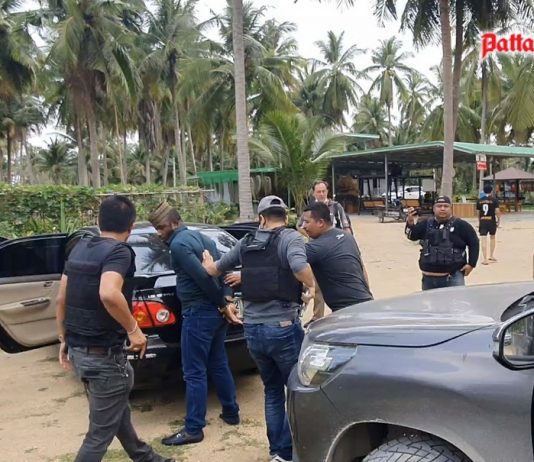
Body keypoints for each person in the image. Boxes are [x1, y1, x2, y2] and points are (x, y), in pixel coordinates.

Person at [55, 195, 174, 462]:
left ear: (98, 221)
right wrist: (134, 329)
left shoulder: (80, 248)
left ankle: (146, 458)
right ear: (131, 226)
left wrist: (63, 337)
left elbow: (61, 298)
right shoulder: (119, 252)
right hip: (104, 358)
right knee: (99, 434)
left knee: (116, 413)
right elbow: (109, 293)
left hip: (80, 351)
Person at [202, 195, 315, 462]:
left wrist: (207, 263)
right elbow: (300, 267)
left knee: (272, 390)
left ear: (261, 218)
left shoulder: (246, 241)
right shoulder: (291, 238)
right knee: (297, 390)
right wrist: (312, 286)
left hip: (252, 330)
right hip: (283, 327)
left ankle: (278, 452)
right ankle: (297, 450)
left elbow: (214, 270)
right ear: (285, 217)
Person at [148, 202, 240, 446]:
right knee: (218, 362)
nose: (159, 232)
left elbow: (203, 278)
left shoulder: (179, 244)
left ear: (174, 223)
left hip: (199, 313)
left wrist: (223, 303)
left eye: (161, 227)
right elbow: (223, 269)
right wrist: (227, 299)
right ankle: (231, 412)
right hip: (214, 314)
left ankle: (193, 428)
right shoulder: (203, 238)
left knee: (194, 371)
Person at [301, 202, 373, 310]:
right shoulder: (347, 237)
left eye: (307, 222)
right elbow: (361, 268)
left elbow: (294, 264)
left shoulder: (316, 247)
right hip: (367, 302)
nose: (303, 226)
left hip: (347, 310)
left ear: (320, 222)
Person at [298, 180, 352, 322]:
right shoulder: (310, 210)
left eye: (324, 191)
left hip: (336, 250)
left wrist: (348, 243)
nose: (321, 194)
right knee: (317, 285)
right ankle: (317, 317)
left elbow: (345, 225)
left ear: (327, 192)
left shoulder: (336, 206)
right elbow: (300, 225)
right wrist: (310, 236)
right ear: (314, 193)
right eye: (318, 191)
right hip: (317, 250)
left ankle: (344, 316)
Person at [405, 195, 479, 291]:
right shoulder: (425, 223)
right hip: (428, 278)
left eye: (446, 206)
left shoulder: (461, 225)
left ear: (451, 208)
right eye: (439, 206)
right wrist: (410, 223)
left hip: (453, 277)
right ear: (434, 208)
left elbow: (474, 242)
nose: (442, 208)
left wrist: (472, 264)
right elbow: (412, 236)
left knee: (457, 301)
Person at [476, 184, 501, 265]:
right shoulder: (494, 200)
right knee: (492, 237)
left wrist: (479, 221)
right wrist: (499, 220)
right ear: (491, 191)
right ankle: (491, 255)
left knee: (483, 239)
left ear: (484, 191)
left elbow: (478, 212)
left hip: (483, 221)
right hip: (491, 221)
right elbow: (497, 211)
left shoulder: (479, 200)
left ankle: (485, 259)